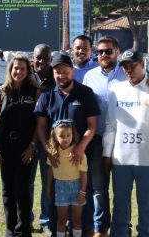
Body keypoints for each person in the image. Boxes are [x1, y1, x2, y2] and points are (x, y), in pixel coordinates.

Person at [103, 49, 149, 237]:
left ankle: (146, 234)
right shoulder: (116, 89)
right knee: (120, 204)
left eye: (133, 65)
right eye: (125, 67)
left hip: (148, 157)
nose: (129, 70)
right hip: (121, 158)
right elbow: (110, 124)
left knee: (146, 205)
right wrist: (107, 154)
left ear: (143, 64)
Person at [35, 53, 100, 237]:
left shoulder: (85, 93)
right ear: (53, 73)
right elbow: (40, 127)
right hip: (53, 156)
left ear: (72, 71)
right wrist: (48, 149)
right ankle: (55, 231)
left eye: (65, 71)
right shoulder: (46, 95)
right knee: (53, 196)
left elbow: (92, 126)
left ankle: (82, 232)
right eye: (57, 72)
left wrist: (80, 147)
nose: (62, 76)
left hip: (79, 156)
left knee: (82, 198)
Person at [82, 36, 127, 236]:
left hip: (125, 140)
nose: (103, 55)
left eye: (108, 51)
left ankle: (123, 226)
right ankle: (101, 227)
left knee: (122, 188)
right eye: (100, 52)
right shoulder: (89, 76)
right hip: (98, 139)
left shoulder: (128, 74)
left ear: (117, 52)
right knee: (99, 187)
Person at [0, 55, 40, 237]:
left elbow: (38, 123)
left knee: (22, 191)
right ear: (10, 70)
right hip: (5, 148)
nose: (18, 72)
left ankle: (23, 231)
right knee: (7, 191)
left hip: (25, 148)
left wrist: (32, 146)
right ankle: (10, 231)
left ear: (28, 71)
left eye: (22, 68)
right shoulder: (2, 91)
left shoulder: (35, 91)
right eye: (15, 68)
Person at [46, 120, 88, 237]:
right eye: (62, 136)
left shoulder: (78, 152)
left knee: (77, 220)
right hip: (60, 188)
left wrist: (82, 191)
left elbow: (84, 174)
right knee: (61, 220)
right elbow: (50, 172)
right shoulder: (53, 153)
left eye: (68, 135)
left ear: (73, 135)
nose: (66, 139)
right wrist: (49, 189)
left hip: (77, 187)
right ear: (55, 136)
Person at [30, 43, 55, 233]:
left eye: (46, 58)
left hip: (49, 142)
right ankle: (26, 218)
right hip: (27, 142)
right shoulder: (24, 75)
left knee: (48, 183)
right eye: (39, 58)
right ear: (33, 58)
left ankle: (46, 221)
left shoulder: (57, 78)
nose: (42, 62)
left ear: (51, 60)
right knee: (27, 182)